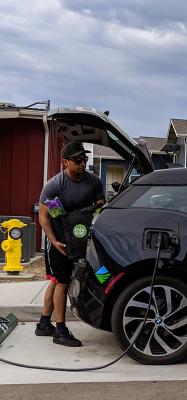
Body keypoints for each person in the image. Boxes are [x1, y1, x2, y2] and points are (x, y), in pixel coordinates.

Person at [36, 142, 105, 347]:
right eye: (77, 160)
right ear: (65, 162)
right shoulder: (55, 185)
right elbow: (44, 217)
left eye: (84, 159)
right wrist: (53, 241)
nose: (83, 163)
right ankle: (60, 331)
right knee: (61, 281)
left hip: (84, 239)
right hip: (60, 241)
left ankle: (43, 323)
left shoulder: (94, 182)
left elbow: (101, 207)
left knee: (96, 272)